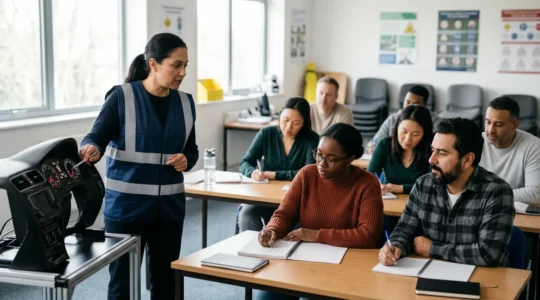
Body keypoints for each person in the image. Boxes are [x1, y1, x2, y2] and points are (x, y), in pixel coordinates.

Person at [80, 33, 198, 300]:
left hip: (169, 211)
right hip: (126, 210)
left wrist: (187, 160)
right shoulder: (121, 97)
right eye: (176, 65)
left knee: (166, 283)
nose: (182, 72)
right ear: (154, 64)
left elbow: (192, 150)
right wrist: (91, 148)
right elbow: (94, 137)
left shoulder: (186, 103)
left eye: (185, 66)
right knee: (123, 285)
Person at [257, 123, 383, 300]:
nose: (321, 163)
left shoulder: (367, 183)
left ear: (350, 158)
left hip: (344, 267)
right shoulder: (306, 174)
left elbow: (368, 234)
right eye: (319, 154)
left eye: (332, 159)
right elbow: (284, 213)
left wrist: (317, 235)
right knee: (265, 298)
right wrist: (272, 229)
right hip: (303, 260)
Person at [379, 118, 515, 267]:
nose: (431, 160)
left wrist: (433, 249)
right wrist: (395, 246)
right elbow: (404, 230)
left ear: (467, 160)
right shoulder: (423, 185)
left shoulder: (497, 192)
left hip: (480, 282)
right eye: (432, 150)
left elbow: (489, 254)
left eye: (442, 153)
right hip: (427, 274)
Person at [238, 97, 319, 232]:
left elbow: (308, 173)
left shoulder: (312, 139)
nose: (288, 127)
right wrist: (252, 172)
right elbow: (246, 162)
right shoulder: (266, 133)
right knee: (248, 215)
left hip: (298, 202)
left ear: (304, 122)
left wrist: (274, 175)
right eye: (285, 120)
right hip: (266, 198)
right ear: (279, 116)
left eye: (296, 123)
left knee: (304, 224)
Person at [479, 96, 540, 205]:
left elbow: (536, 193)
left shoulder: (534, 146)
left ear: (515, 125)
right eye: (488, 122)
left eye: (498, 124)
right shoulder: (476, 142)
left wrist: (489, 195)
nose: (490, 130)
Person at [368, 105, 433, 194]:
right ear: (397, 128)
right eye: (404, 132)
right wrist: (377, 185)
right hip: (390, 201)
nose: (407, 139)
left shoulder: (432, 150)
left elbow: (433, 185)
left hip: (421, 202)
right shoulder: (385, 145)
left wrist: (399, 188)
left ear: (424, 134)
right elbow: (369, 176)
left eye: (415, 134)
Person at [367, 85, 441, 154]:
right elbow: (376, 140)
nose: (409, 107)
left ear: (425, 106)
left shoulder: (436, 122)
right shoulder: (393, 119)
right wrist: (372, 145)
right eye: (407, 102)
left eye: (415, 104)